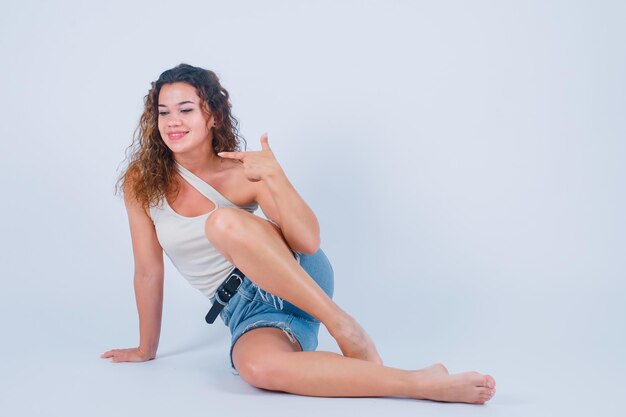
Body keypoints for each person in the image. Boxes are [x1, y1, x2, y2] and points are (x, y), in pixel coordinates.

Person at [101, 63, 496, 403]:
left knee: (222, 222)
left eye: (186, 109)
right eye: (163, 111)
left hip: (296, 275)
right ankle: (421, 382)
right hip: (246, 311)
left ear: (212, 117)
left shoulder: (242, 172)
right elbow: (148, 272)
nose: (173, 121)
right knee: (257, 369)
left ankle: (343, 326)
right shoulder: (142, 182)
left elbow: (308, 242)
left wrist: (276, 177)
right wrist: (145, 349)